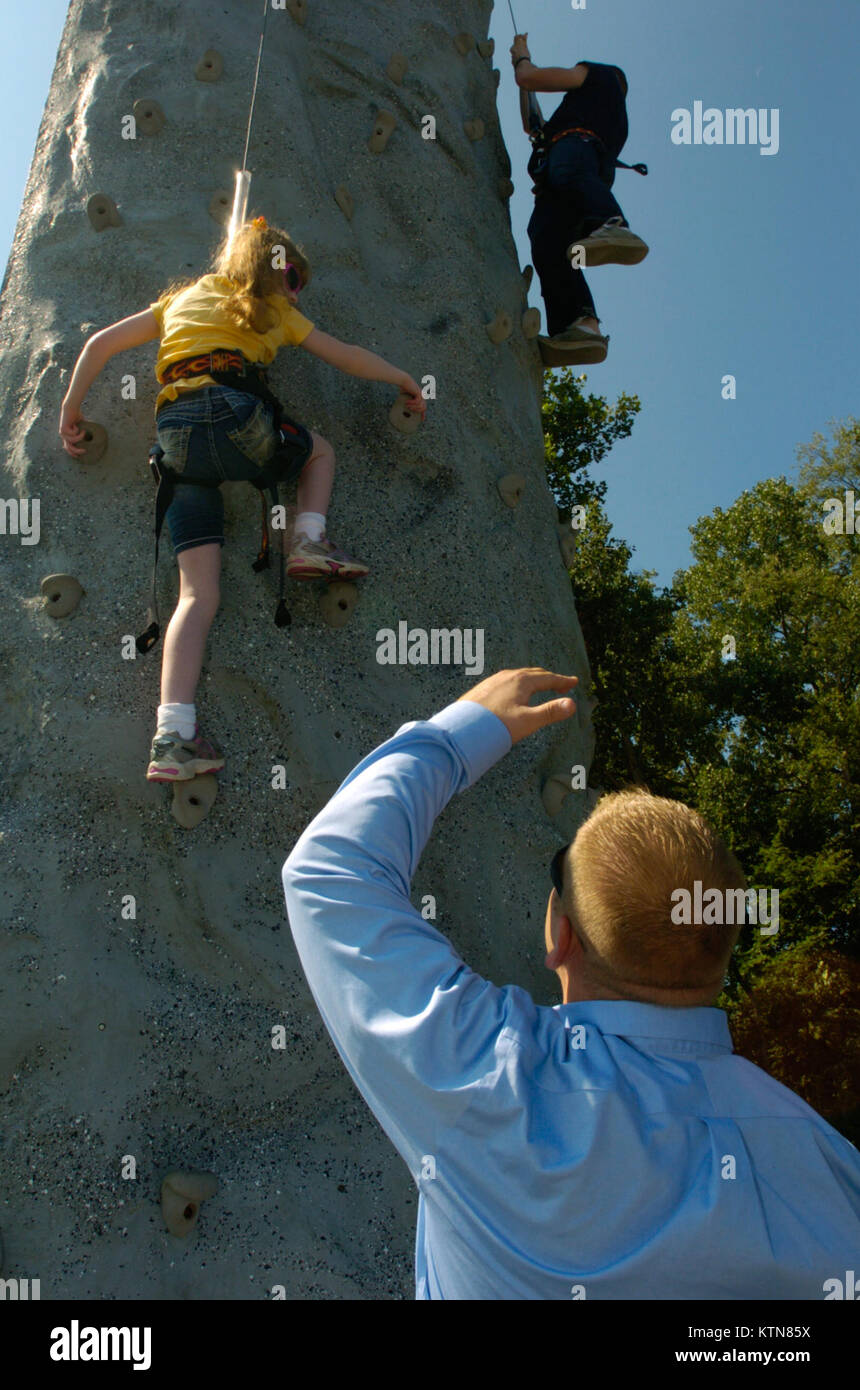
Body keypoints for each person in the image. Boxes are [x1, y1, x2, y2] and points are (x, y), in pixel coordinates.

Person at [283, 667, 860, 1300]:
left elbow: (328, 872)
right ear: (719, 950)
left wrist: (461, 735)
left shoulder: (496, 1082)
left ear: (562, 933)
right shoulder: (829, 1166)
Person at [58, 216, 425, 784]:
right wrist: (404, 377)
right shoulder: (275, 310)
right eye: (296, 278)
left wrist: (71, 409)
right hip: (237, 417)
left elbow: (100, 342)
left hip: (176, 441)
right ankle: (307, 541)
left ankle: (172, 738)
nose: (296, 290)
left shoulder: (181, 298)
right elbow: (346, 354)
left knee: (196, 595)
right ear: (279, 273)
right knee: (319, 453)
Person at [510, 35, 649, 365]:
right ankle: (581, 326)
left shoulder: (597, 74)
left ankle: (611, 224)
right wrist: (524, 82)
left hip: (574, 157)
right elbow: (534, 125)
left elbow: (529, 77)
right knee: (546, 239)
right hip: (574, 173)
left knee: (567, 178)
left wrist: (522, 58)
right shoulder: (602, 116)